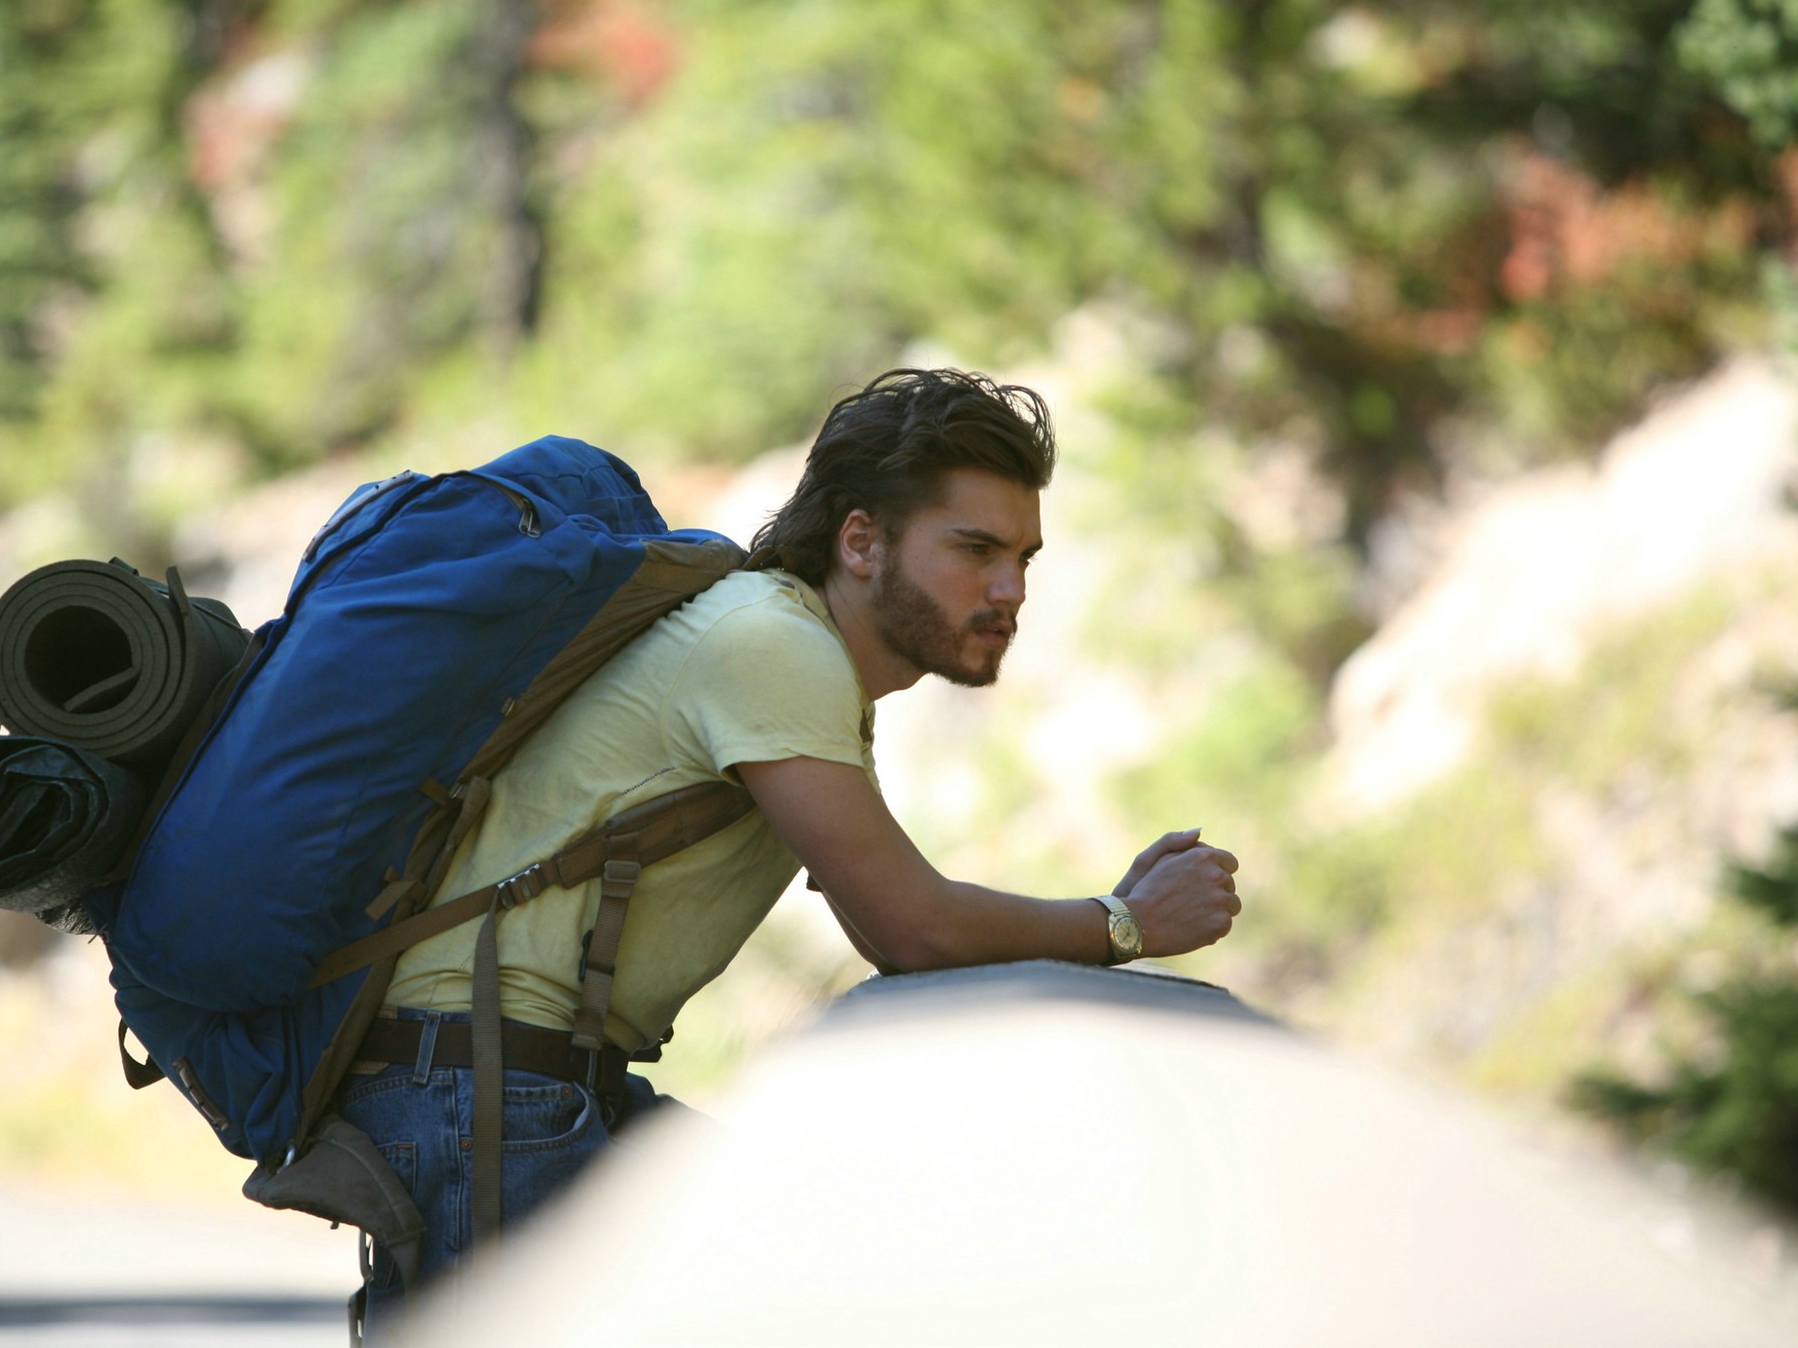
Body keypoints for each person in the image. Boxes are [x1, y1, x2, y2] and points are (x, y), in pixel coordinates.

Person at [340, 367, 1242, 1323]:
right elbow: (911, 928)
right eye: (974, 548)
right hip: (476, 1089)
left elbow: (881, 912)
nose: (1010, 589)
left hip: (516, 1079)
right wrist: (1125, 925)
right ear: (861, 541)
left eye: (1025, 556)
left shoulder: (805, 660)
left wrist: (1107, 914)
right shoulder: (771, 646)